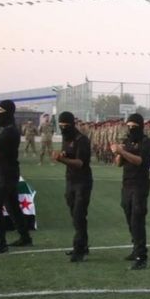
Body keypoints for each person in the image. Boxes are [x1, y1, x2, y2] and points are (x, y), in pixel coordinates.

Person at [110, 113, 150, 270]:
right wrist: (118, 152)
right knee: (129, 216)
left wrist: (122, 152)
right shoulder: (127, 141)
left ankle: (141, 256)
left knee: (137, 219)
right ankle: (136, 247)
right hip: (127, 184)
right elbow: (118, 164)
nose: (130, 129)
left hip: (140, 185)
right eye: (128, 126)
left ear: (140, 127)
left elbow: (140, 161)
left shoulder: (146, 142)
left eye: (133, 126)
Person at [0, 100, 32, 253]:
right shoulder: (9, 130)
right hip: (8, 173)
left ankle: (1, 243)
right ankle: (25, 237)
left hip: (6, 174)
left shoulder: (9, 132)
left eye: (0, 112)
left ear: (7, 113)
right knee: (13, 207)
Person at [52, 112, 93, 262]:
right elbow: (68, 154)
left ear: (72, 125)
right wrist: (62, 155)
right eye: (61, 126)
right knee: (75, 215)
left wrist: (61, 159)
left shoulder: (81, 140)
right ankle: (83, 245)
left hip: (82, 182)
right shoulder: (66, 138)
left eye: (65, 126)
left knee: (79, 215)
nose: (63, 128)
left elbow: (80, 163)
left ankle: (79, 249)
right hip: (70, 181)